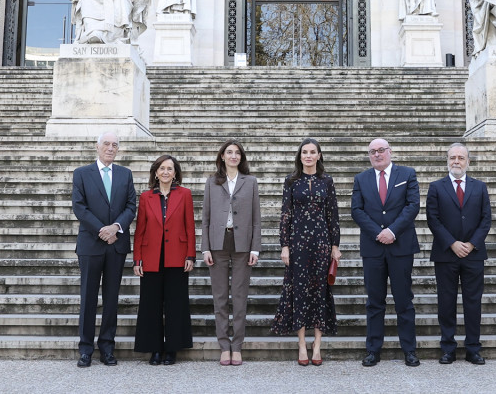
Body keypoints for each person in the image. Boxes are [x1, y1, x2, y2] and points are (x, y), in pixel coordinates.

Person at [271, 138, 341, 366]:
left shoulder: (327, 181)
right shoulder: (291, 181)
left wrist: (335, 245)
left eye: (313, 152)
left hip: (321, 242)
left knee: (320, 291)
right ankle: (302, 344)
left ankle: (317, 344)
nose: (309, 155)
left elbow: (333, 216)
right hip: (298, 243)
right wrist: (284, 245)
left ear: (319, 155)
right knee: (299, 292)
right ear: (299, 156)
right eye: (305, 152)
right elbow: (285, 215)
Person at [351, 138, 421, 367]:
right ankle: (373, 350)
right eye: (373, 152)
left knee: (404, 300)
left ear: (390, 152)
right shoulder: (361, 179)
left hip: (400, 246)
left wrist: (392, 231)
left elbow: (413, 206)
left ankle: (409, 350)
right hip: (373, 248)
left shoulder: (407, 174)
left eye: (381, 150)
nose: (377, 155)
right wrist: (378, 232)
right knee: (374, 302)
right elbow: (357, 210)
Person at [72, 131, 136, 368]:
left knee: (111, 299)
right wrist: (103, 230)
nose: (111, 148)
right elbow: (79, 207)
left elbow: (131, 206)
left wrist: (116, 228)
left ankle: (107, 347)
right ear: (97, 146)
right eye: (106, 144)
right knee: (88, 298)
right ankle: (85, 349)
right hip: (91, 243)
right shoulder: (81, 174)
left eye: (115, 145)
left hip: (116, 245)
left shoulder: (125, 174)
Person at [426, 143, 491, 365]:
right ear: (447, 160)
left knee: (473, 302)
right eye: (452, 157)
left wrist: (472, 244)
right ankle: (448, 348)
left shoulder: (480, 187)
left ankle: (473, 348)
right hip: (446, 254)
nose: (456, 161)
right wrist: (452, 243)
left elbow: (486, 219)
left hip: (473, 254)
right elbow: (433, 219)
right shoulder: (436, 187)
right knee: (446, 302)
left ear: (468, 162)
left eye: (461, 158)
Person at [201, 140, 261, 366]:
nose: (233, 156)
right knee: (219, 299)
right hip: (217, 243)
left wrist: (255, 247)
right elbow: (205, 218)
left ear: (241, 157)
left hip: (242, 245)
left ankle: (237, 347)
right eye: (229, 152)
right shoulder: (212, 182)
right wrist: (205, 247)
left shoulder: (251, 182)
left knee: (239, 297)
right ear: (222, 157)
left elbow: (256, 218)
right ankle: (224, 346)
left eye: (237, 153)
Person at [133, 155, 196, 366]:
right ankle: (155, 350)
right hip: (151, 256)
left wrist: (190, 255)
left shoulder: (185, 194)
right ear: (156, 172)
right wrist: (137, 259)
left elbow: (190, 226)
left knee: (175, 304)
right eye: (162, 168)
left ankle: (172, 349)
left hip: (177, 256)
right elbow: (140, 230)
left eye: (170, 168)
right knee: (150, 305)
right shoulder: (145, 197)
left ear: (175, 173)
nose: (166, 172)